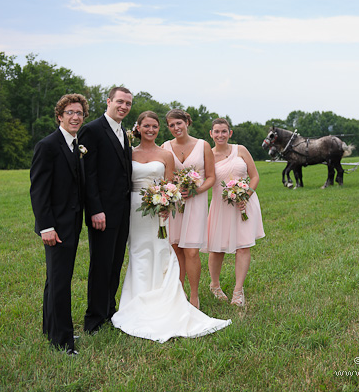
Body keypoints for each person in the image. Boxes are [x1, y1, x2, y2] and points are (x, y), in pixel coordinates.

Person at [111, 111, 231, 342]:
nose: (151, 129)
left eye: (155, 126)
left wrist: (171, 197)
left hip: (167, 207)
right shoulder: (130, 153)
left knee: (174, 251)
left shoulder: (173, 152)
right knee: (144, 251)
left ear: (186, 123)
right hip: (137, 209)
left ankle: (185, 297)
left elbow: (176, 181)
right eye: (147, 126)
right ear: (138, 127)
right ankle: (140, 298)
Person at [30, 93, 89, 355]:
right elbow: (39, 190)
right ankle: (63, 341)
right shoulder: (48, 145)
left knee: (55, 279)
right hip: (55, 226)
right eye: (70, 113)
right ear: (59, 116)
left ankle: (50, 329)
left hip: (72, 222)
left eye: (79, 113)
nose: (75, 117)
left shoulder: (76, 144)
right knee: (60, 282)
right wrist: (46, 227)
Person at [78, 87, 133, 333]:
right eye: (120, 101)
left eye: (128, 104)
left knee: (114, 262)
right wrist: (95, 210)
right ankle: (94, 318)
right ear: (108, 101)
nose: (123, 106)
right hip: (102, 212)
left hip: (122, 211)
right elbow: (87, 174)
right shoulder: (92, 130)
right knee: (100, 264)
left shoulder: (124, 132)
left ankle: (110, 311)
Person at [205, 118, 265, 307]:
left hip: (244, 205)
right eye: (217, 131)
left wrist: (246, 195)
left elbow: (254, 176)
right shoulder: (208, 155)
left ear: (230, 133)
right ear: (211, 134)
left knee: (243, 246)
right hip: (221, 206)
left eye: (224, 131)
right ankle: (214, 285)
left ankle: (238, 291)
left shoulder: (241, 150)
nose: (220, 135)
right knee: (216, 247)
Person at [162, 109, 215, 308]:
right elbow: (164, 177)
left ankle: (194, 295)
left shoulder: (203, 146)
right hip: (175, 204)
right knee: (176, 249)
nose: (176, 128)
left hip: (196, 202)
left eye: (179, 123)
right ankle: (179, 292)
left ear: (187, 122)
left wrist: (196, 190)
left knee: (191, 251)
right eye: (171, 125)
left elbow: (211, 177)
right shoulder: (165, 147)